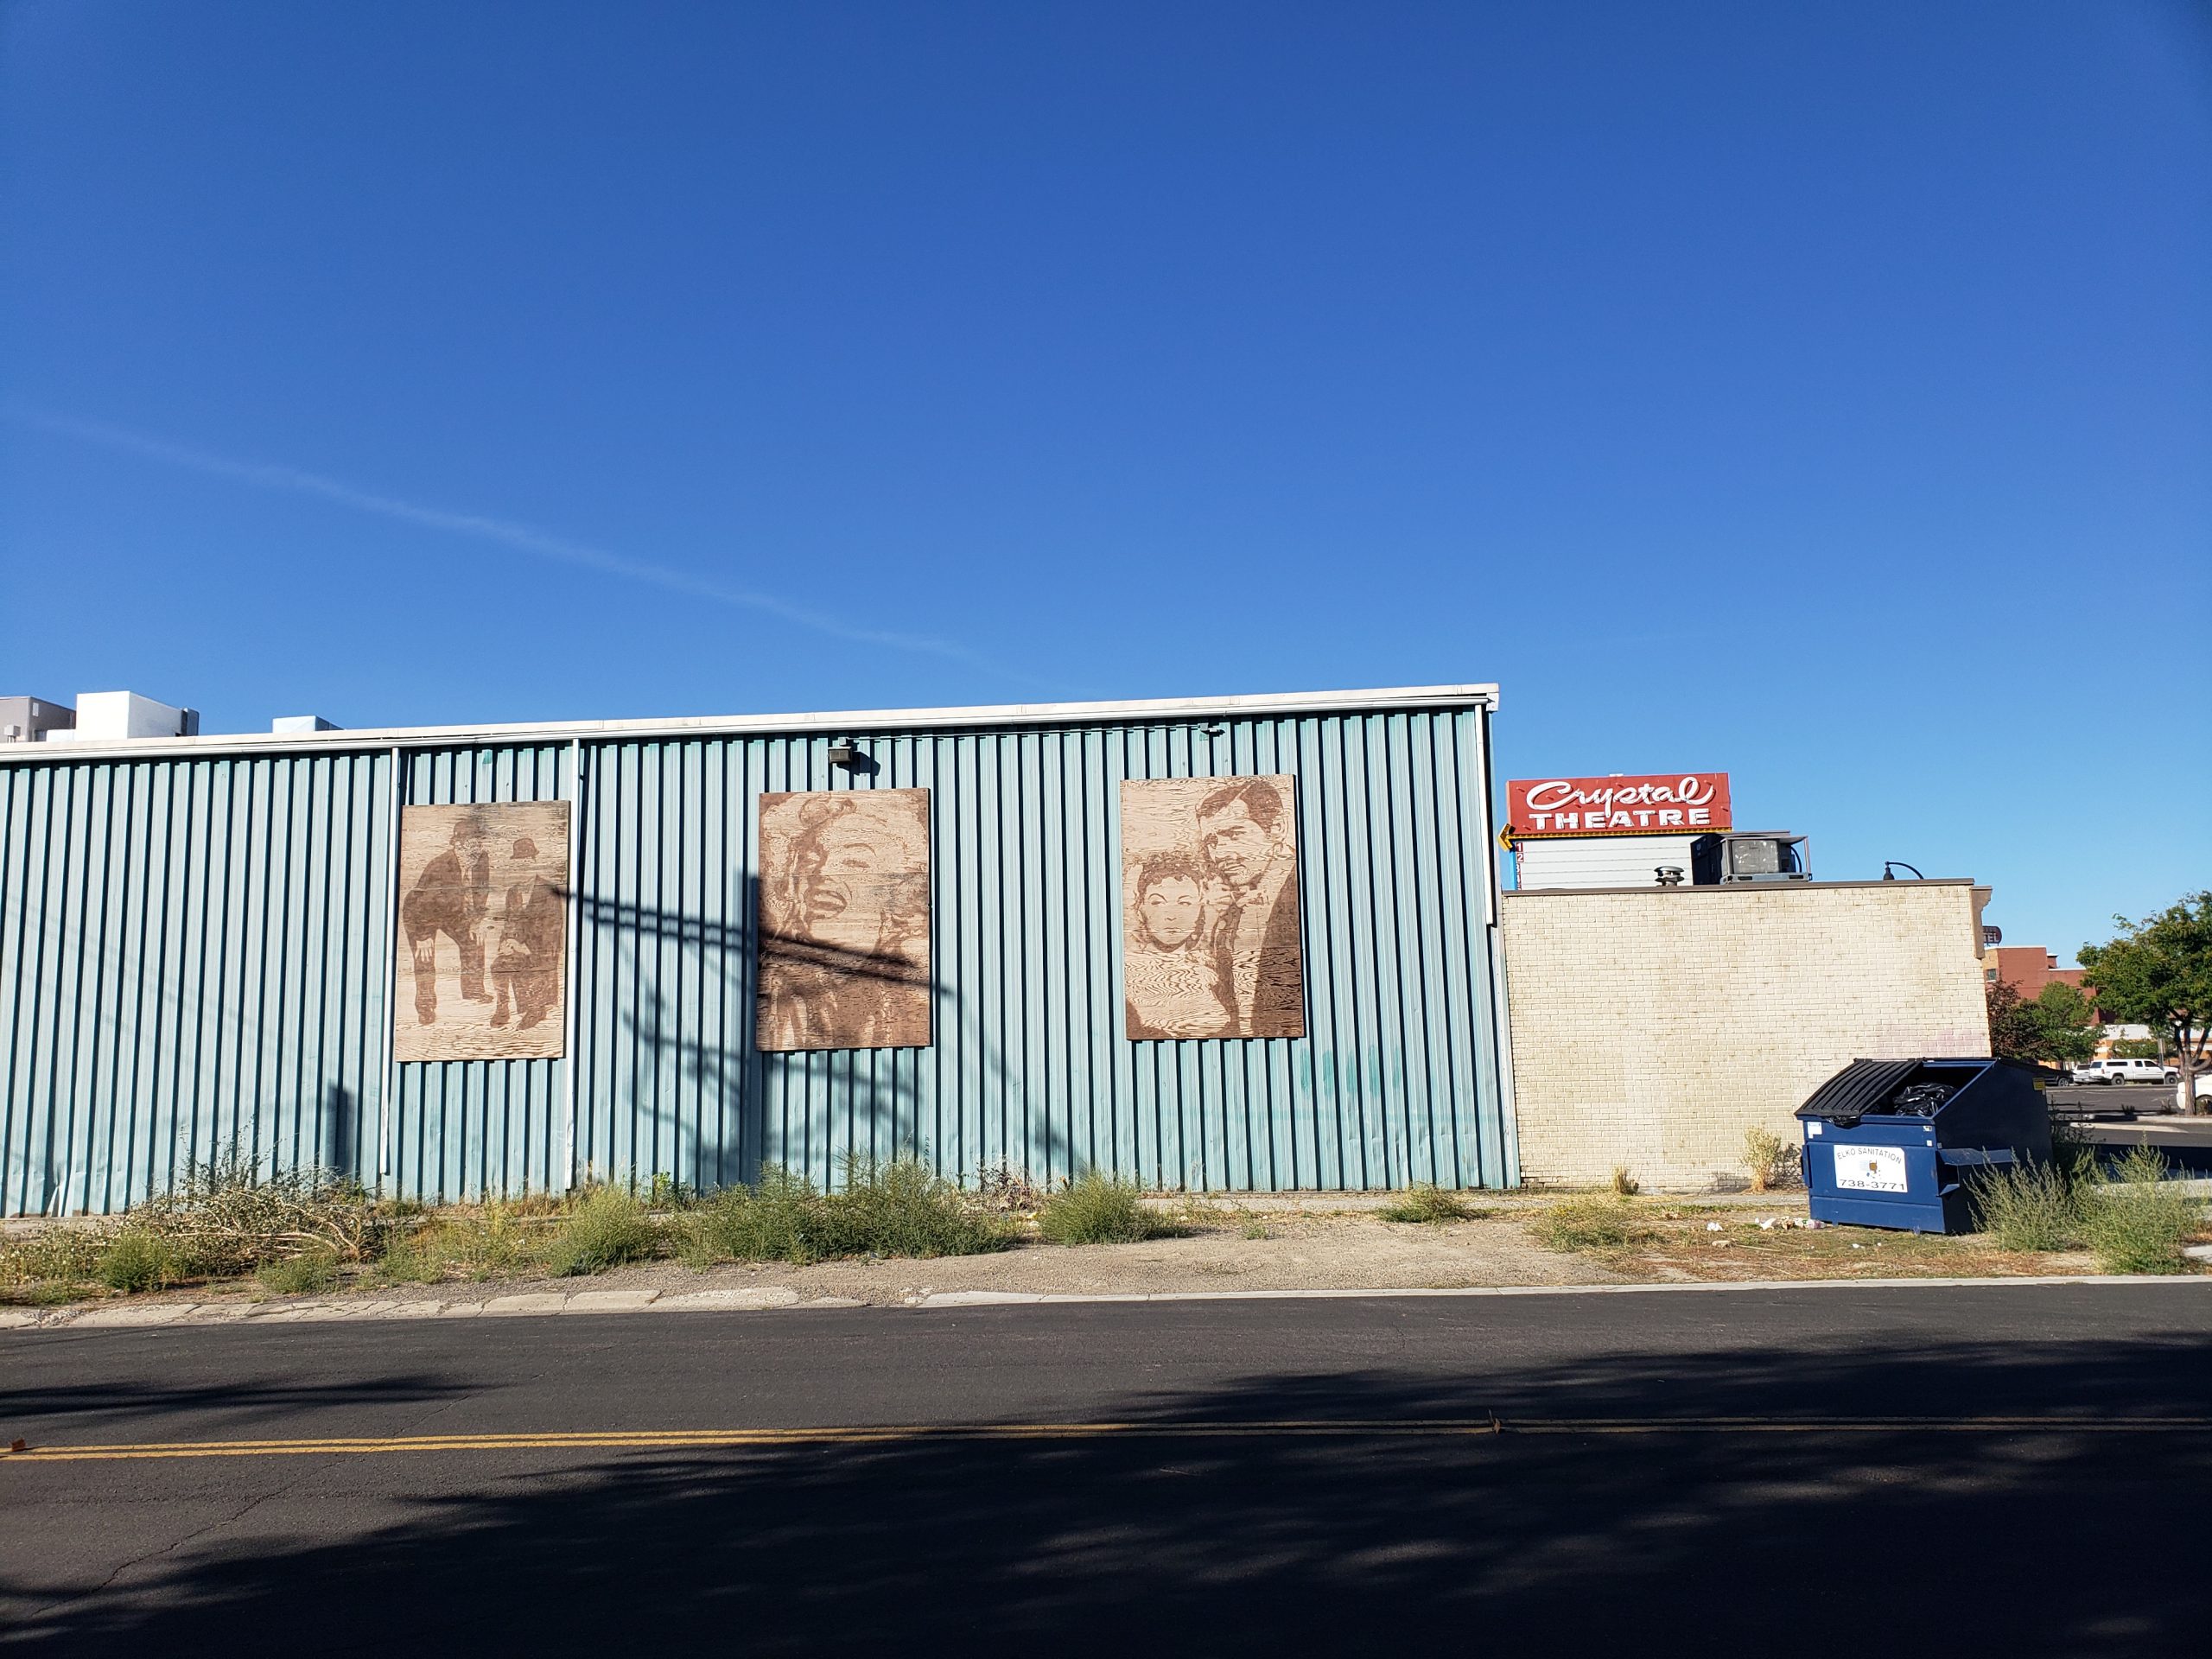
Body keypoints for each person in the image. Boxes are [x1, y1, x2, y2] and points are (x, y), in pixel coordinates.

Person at [758, 794, 931, 1050]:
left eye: (854, 862)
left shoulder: (910, 1005)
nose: (822, 874)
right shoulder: (772, 1000)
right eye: (811, 860)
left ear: (896, 897)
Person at [1196, 779, 1303, 1037]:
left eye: (1234, 834)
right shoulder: (1229, 915)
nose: (1220, 853)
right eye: (1212, 841)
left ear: (1277, 828)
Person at [1123, 853, 1233, 1039]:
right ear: (1140, 907)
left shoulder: (1211, 973)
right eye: (1158, 902)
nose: (1171, 915)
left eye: (1185, 903)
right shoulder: (1128, 971)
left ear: (1200, 909)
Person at [400, 814, 493, 1027]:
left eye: (479, 843)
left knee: (474, 940)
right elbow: (423, 903)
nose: (477, 849)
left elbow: (481, 892)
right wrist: (422, 937)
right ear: (458, 845)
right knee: (424, 955)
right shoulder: (439, 867)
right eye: (472, 844)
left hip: (453, 910)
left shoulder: (482, 860)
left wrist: (477, 920)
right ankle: (425, 1007)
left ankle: (473, 991)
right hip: (421, 914)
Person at [490, 836, 564, 1032]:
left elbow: (553, 927)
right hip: (518, 946)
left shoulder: (549, 890)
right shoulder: (513, 892)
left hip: (543, 949)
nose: (521, 868)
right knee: (498, 965)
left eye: (525, 862)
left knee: (534, 966)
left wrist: (526, 947)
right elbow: (509, 922)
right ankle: (503, 1008)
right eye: (517, 864)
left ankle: (536, 1009)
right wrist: (505, 942)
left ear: (534, 863)